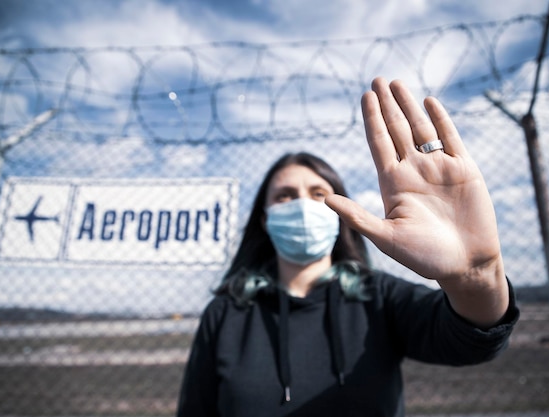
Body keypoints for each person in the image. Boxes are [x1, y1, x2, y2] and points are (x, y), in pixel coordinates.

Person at [176, 78, 519, 417]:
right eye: (285, 196)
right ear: (264, 220)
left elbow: (472, 341)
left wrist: (476, 274)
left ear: (342, 212)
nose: (303, 205)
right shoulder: (225, 314)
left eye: (318, 194)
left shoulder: (379, 298)